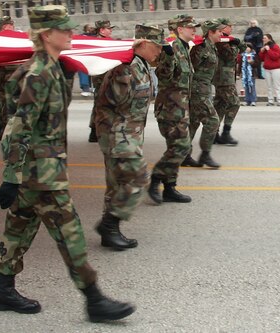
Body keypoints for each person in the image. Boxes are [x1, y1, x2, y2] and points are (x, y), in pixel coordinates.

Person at [0, 5, 135, 322]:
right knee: (71, 235)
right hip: (41, 174)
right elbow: (20, 125)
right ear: (46, 34)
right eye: (64, 28)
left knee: (18, 229)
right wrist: (10, 176)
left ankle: (3, 290)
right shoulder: (39, 73)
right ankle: (94, 299)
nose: (71, 33)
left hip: (38, 169)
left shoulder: (53, 67)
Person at [93, 25, 166, 250]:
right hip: (118, 134)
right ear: (142, 44)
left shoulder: (143, 66)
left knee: (117, 183)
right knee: (139, 177)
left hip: (130, 134)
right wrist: (114, 138)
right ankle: (109, 224)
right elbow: (107, 105)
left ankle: (110, 233)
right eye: (156, 47)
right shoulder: (125, 69)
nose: (159, 52)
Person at [147, 14, 200, 205]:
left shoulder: (185, 48)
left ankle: (169, 188)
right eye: (190, 27)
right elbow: (163, 75)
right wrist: (168, 56)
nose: (194, 30)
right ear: (180, 29)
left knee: (176, 147)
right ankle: (155, 178)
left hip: (181, 107)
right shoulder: (171, 47)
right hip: (170, 108)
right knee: (181, 146)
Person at [181, 19, 222, 169]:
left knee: (193, 122)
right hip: (198, 90)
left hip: (204, 89)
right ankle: (205, 154)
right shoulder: (200, 49)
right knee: (212, 120)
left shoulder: (212, 47)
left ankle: (184, 155)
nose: (221, 34)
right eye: (218, 31)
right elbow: (191, 70)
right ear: (210, 32)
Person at [213, 18, 246, 145]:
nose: (231, 28)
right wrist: (235, 45)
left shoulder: (228, 39)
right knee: (234, 103)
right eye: (229, 26)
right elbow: (230, 55)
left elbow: (243, 47)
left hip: (226, 77)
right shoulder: (221, 40)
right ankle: (225, 132)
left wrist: (236, 44)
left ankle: (213, 133)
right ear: (223, 27)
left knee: (220, 105)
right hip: (223, 78)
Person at [87, 20, 117, 143]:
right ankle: (96, 132)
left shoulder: (109, 41)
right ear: (101, 30)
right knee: (101, 105)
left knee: (102, 105)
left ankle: (96, 131)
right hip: (101, 77)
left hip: (108, 77)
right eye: (108, 28)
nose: (110, 31)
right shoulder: (96, 43)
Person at [0, 16, 20, 140]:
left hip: (18, 80)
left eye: (10, 25)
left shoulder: (19, 40)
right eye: (5, 26)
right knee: (4, 107)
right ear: (0, 28)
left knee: (17, 107)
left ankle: (15, 131)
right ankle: (3, 130)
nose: (8, 28)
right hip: (3, 80)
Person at [259, 33, 280, 106]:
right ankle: (270, 100)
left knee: (277, 85)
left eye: (265, 38)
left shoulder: (275, 46)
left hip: (275, 69)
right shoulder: (265, 47)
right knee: (269, 86)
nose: (263, 39)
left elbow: (275, 57)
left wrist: (269, 50)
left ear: (269, 39)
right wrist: (261, 52)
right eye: (263, 38)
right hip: (267, 69)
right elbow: (261, 58)